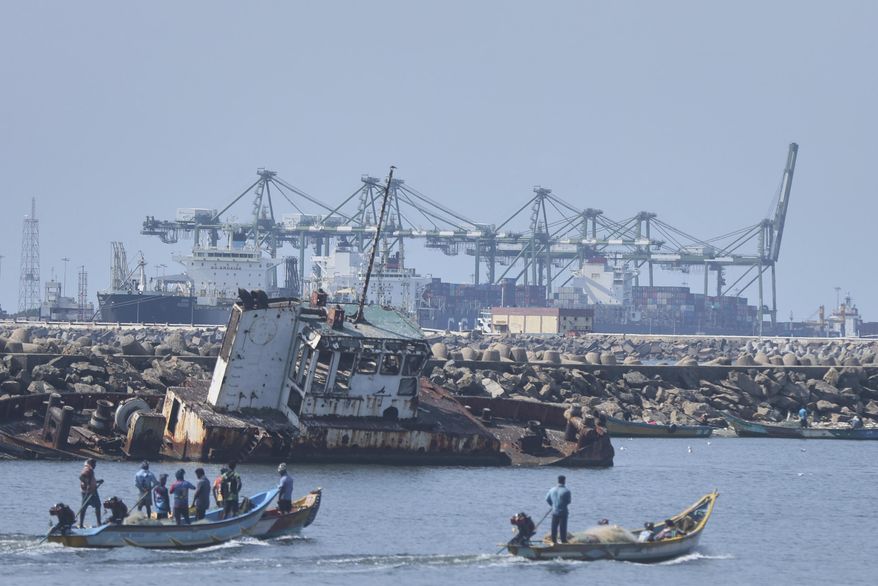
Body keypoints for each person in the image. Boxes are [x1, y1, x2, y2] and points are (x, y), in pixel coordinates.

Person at [545, 475, 572, 544]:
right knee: (562, 528)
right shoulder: (566, 491)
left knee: (554, 527)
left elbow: (547, 499)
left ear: (558, 481)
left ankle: (553, 541)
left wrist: (553, 505)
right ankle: (563, 542)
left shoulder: (552, 490)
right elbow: (568, 501)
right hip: (563, 512)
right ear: (564, 481)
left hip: (554, 511)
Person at [78, 458, 103, 528]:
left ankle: (81, 524)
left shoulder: (89, 469)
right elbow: (81, 477)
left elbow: (90, 479)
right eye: (94, 464)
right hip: (90, 492)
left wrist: (97, 481)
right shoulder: (88, 469)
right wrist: (88, 484)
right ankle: (98, 523)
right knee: (97, 505)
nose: (95, 466)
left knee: (84, 507)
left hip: (89, 491)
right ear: (91, 464)